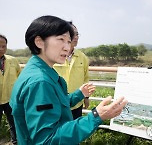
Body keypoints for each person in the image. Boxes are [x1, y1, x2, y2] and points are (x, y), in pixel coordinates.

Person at [10, 15, 128, 145]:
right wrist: (96, 116)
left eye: (68, 41)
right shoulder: (40, 82)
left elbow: (57, 104)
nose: (67, 47)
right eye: (61, 39)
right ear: (39, 42)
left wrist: (80, 94)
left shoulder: (36, 70)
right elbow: (48, 140)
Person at [53, 22, 89, 119]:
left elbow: (85, 78)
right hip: (58, 102)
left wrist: (86, 97)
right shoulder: (53, 55)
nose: (76, 37)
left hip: (77, 101)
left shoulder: (82, 57)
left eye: (77, 34)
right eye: (73, 33)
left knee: (75, 130)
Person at [0, 34, 21, 144]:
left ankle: (16, 142)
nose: (1, 49)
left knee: (14, 124)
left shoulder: (13, 60)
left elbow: (20, 77)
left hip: (11, 99)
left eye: (4, 46)